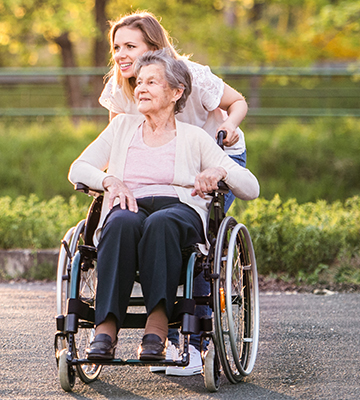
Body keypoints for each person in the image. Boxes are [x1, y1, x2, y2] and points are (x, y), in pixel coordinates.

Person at [67, 49, 258, 364]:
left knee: (162, 223)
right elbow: (78, 168)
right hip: (130, 203)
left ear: (176, 92)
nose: (140, 88)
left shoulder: (195, 137)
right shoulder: (121, 128)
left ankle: (156, 327)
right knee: (119, 223)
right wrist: (110, 181)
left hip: (178, 210)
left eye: (152, 82)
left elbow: (251, 187)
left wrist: (220, 171)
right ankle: (106, 327)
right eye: (139, 82)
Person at [101, 11, 249, 375]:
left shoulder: (191, 75)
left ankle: (193, 342)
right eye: (116, 46)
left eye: (130, 46)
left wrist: (228, 126)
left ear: (154, 47)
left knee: (195, 245)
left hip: (215, 155)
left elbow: (238, 101)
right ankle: (137, 327)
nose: (121, 54)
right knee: (133, 223)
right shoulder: (121, 85)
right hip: (159, 169)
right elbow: (119, 145)